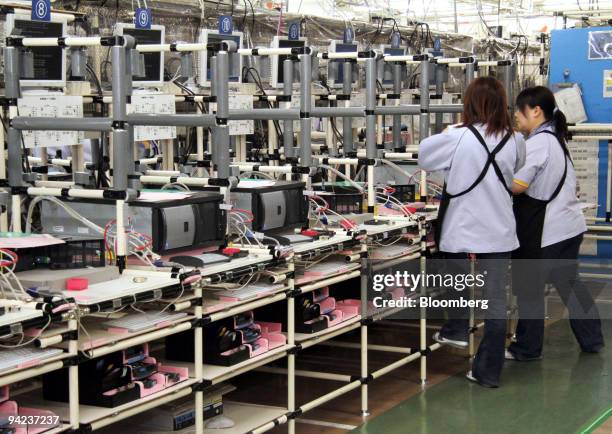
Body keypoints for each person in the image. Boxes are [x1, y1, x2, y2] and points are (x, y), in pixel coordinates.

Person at [419, 76, 526, 388]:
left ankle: (455, 330)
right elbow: (517, 167)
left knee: (455, 282)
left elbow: (425, 157)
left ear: (469, 104)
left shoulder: (456, 136)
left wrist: (450, 132)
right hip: (498, 230)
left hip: (461, 228)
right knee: (495, 304)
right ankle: (487, 372)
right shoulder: (515, 139)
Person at [507, 86, 604, 361]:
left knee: (529, 289)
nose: (516, 115)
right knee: (570, 285)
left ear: (535, 111)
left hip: (546, 231)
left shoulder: (538, 143)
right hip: (568, 228)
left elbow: (518, 185)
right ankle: (592, 339)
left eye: (519, 110)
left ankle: (526, 348)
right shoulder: (556, 140)